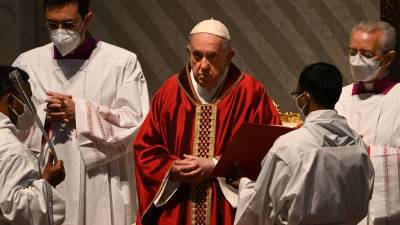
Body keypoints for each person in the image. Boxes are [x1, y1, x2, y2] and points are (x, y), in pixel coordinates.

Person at [12, 0, 150, 224]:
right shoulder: (27, 64)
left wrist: (80, 112)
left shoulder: (121, 62)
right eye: (52, 25)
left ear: (87, 19)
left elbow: (137, 122)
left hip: (102, 180)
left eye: (68, 24)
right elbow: (11, 126)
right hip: (48, 174)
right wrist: (43, 113)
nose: (60, 32)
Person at [133, 18, 281, 225]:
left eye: (212, 57)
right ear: (188, 51)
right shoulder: (169, 92)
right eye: (197, 56)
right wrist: (171, 168)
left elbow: (268, 149)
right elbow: (145, 148)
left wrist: (215, 165)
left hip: (228, 208)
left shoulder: (250, 92)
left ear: (230, 56)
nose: (203, 66)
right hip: (179, 204)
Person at [234, 62, 374, 225]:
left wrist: (244, 184)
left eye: (297, 94)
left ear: (304, 98)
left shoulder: (289, 146)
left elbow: (260, 207)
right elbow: (366, 194)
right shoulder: (357, 142)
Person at [336, 20, 400, 225]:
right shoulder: (337, 97)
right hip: (338, 206)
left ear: (388, 58)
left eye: (367, 54)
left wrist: (363, 152)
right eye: (352, 52)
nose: (356, 60)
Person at [0, 65, 65, 225]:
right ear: (10, 101)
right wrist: (48, 182)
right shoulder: (11, 150)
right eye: (27, 99)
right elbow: (17, 211)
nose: (31, 107)